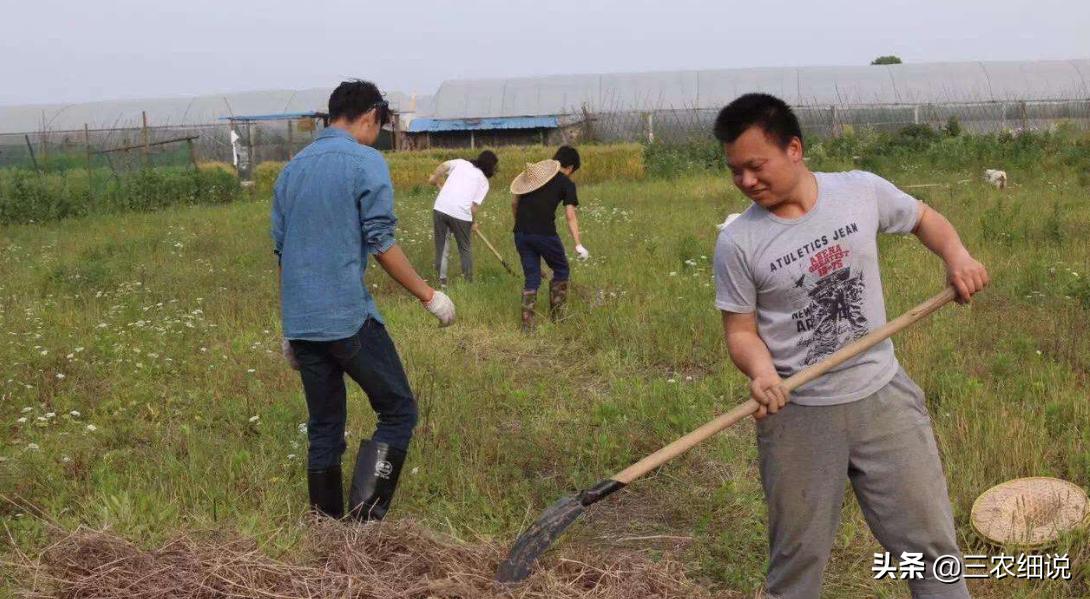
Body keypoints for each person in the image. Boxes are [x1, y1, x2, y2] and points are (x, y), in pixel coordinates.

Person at [712, 94, 988, 599]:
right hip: (798, 413)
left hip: (883, 399)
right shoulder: (738, 243)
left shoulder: (859, 191)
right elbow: (740, 330)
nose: (746, 182)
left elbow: (925, 217)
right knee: (797, 566)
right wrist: (761, 373)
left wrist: (958, 256)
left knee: (931, 551)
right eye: (735, 172)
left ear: (794, 148)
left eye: (755, 166)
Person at [271, 80, 456, 522]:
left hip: (304, 321)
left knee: (324, 428)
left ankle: (327, 530)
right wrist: (429, 296)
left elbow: (283, 253)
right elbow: (381, 243)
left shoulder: (291, 170)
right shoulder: (365, 161)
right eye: (381, 126)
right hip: (347, 319)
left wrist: (290, 327)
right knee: (398, 410)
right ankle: (364, 523)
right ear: (370, 116)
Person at [510, 146, 589, 331]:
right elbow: (570, 215)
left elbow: (514, 203)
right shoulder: (566, 183)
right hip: (545, 234)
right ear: (570, 167)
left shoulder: (535, 176)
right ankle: (558, 318)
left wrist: (521, 226)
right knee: (561, 269)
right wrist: (578, 244)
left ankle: (528, 325)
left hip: (521, 233)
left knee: (532, 277)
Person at [428, 150, 499, 285]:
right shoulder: (484, 182)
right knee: (464, 248)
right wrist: (473, 222)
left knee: (442, 247)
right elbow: (473, 208)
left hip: (440, 208)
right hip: (461, 215)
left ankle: (441, 282)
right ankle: (468, 282)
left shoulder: (461, 163)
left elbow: (443, 166)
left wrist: (434, 178)